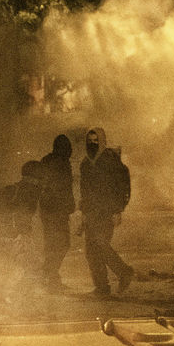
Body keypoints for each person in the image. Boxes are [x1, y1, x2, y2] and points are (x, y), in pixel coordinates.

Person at [79, 126, 135, 297]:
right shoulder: (86, 163)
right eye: (90, 141)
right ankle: (102, 287)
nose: (93, 144)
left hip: (106, 211)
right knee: (91, 251)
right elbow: (84, 190)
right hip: (91, 212)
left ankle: (124, 272)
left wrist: (118, 210)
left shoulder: (110, 161)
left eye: (96, 140)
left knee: (101, 244)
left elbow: (122, 187)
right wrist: (84, 212)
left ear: (102, 141)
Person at [37, 134, 75, 291]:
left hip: (49, 210)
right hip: (57, 211)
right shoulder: (61, 163)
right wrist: (68, 206)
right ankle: (48, 276)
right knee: (61, 244)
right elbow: (62, 188)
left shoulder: (47, 161)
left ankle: (50, 277)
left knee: (53, 245)